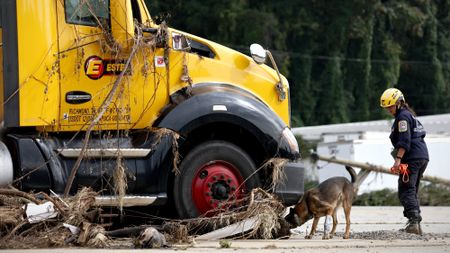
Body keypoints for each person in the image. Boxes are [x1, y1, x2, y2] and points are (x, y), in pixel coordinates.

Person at [380, 88, 429, 235]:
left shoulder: (402, 118)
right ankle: (416, 226)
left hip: (412, 158)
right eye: (386, 107)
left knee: (406, 189)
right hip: (422, 156)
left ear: (399, 103)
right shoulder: (410, 116)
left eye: (390, 106)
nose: (388, 109)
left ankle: (413, 223)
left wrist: (398, 159)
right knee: (412, 190)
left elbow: (404, 140)